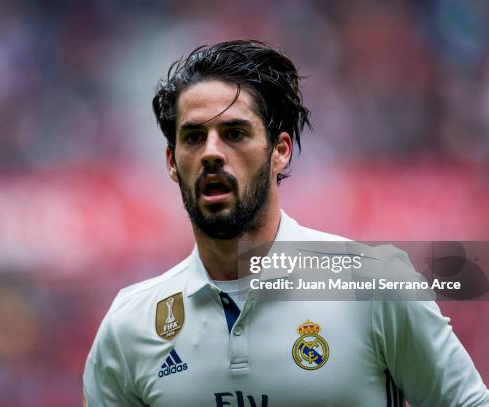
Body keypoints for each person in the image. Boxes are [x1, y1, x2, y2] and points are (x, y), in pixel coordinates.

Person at [83, 40, 489, 406]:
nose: (211, 153)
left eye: (235, 133)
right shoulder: (130, 324)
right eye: (193, 137)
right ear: (172, 163)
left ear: (280, 151)